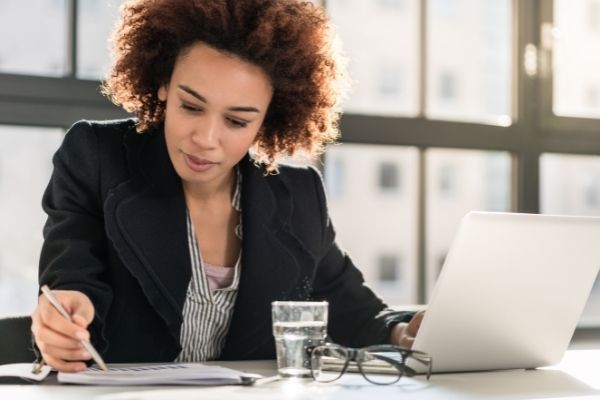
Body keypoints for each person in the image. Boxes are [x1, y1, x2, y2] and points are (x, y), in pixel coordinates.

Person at [31, 0, 424, 373]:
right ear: (164, 83)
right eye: (191, 106)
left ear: (269, 119)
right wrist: (66, 317)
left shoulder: (299, 195)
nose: (206, 138)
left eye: (237, 121)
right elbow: (72, 277)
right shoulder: (98, 158)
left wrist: (403, 332)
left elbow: (354, 310)